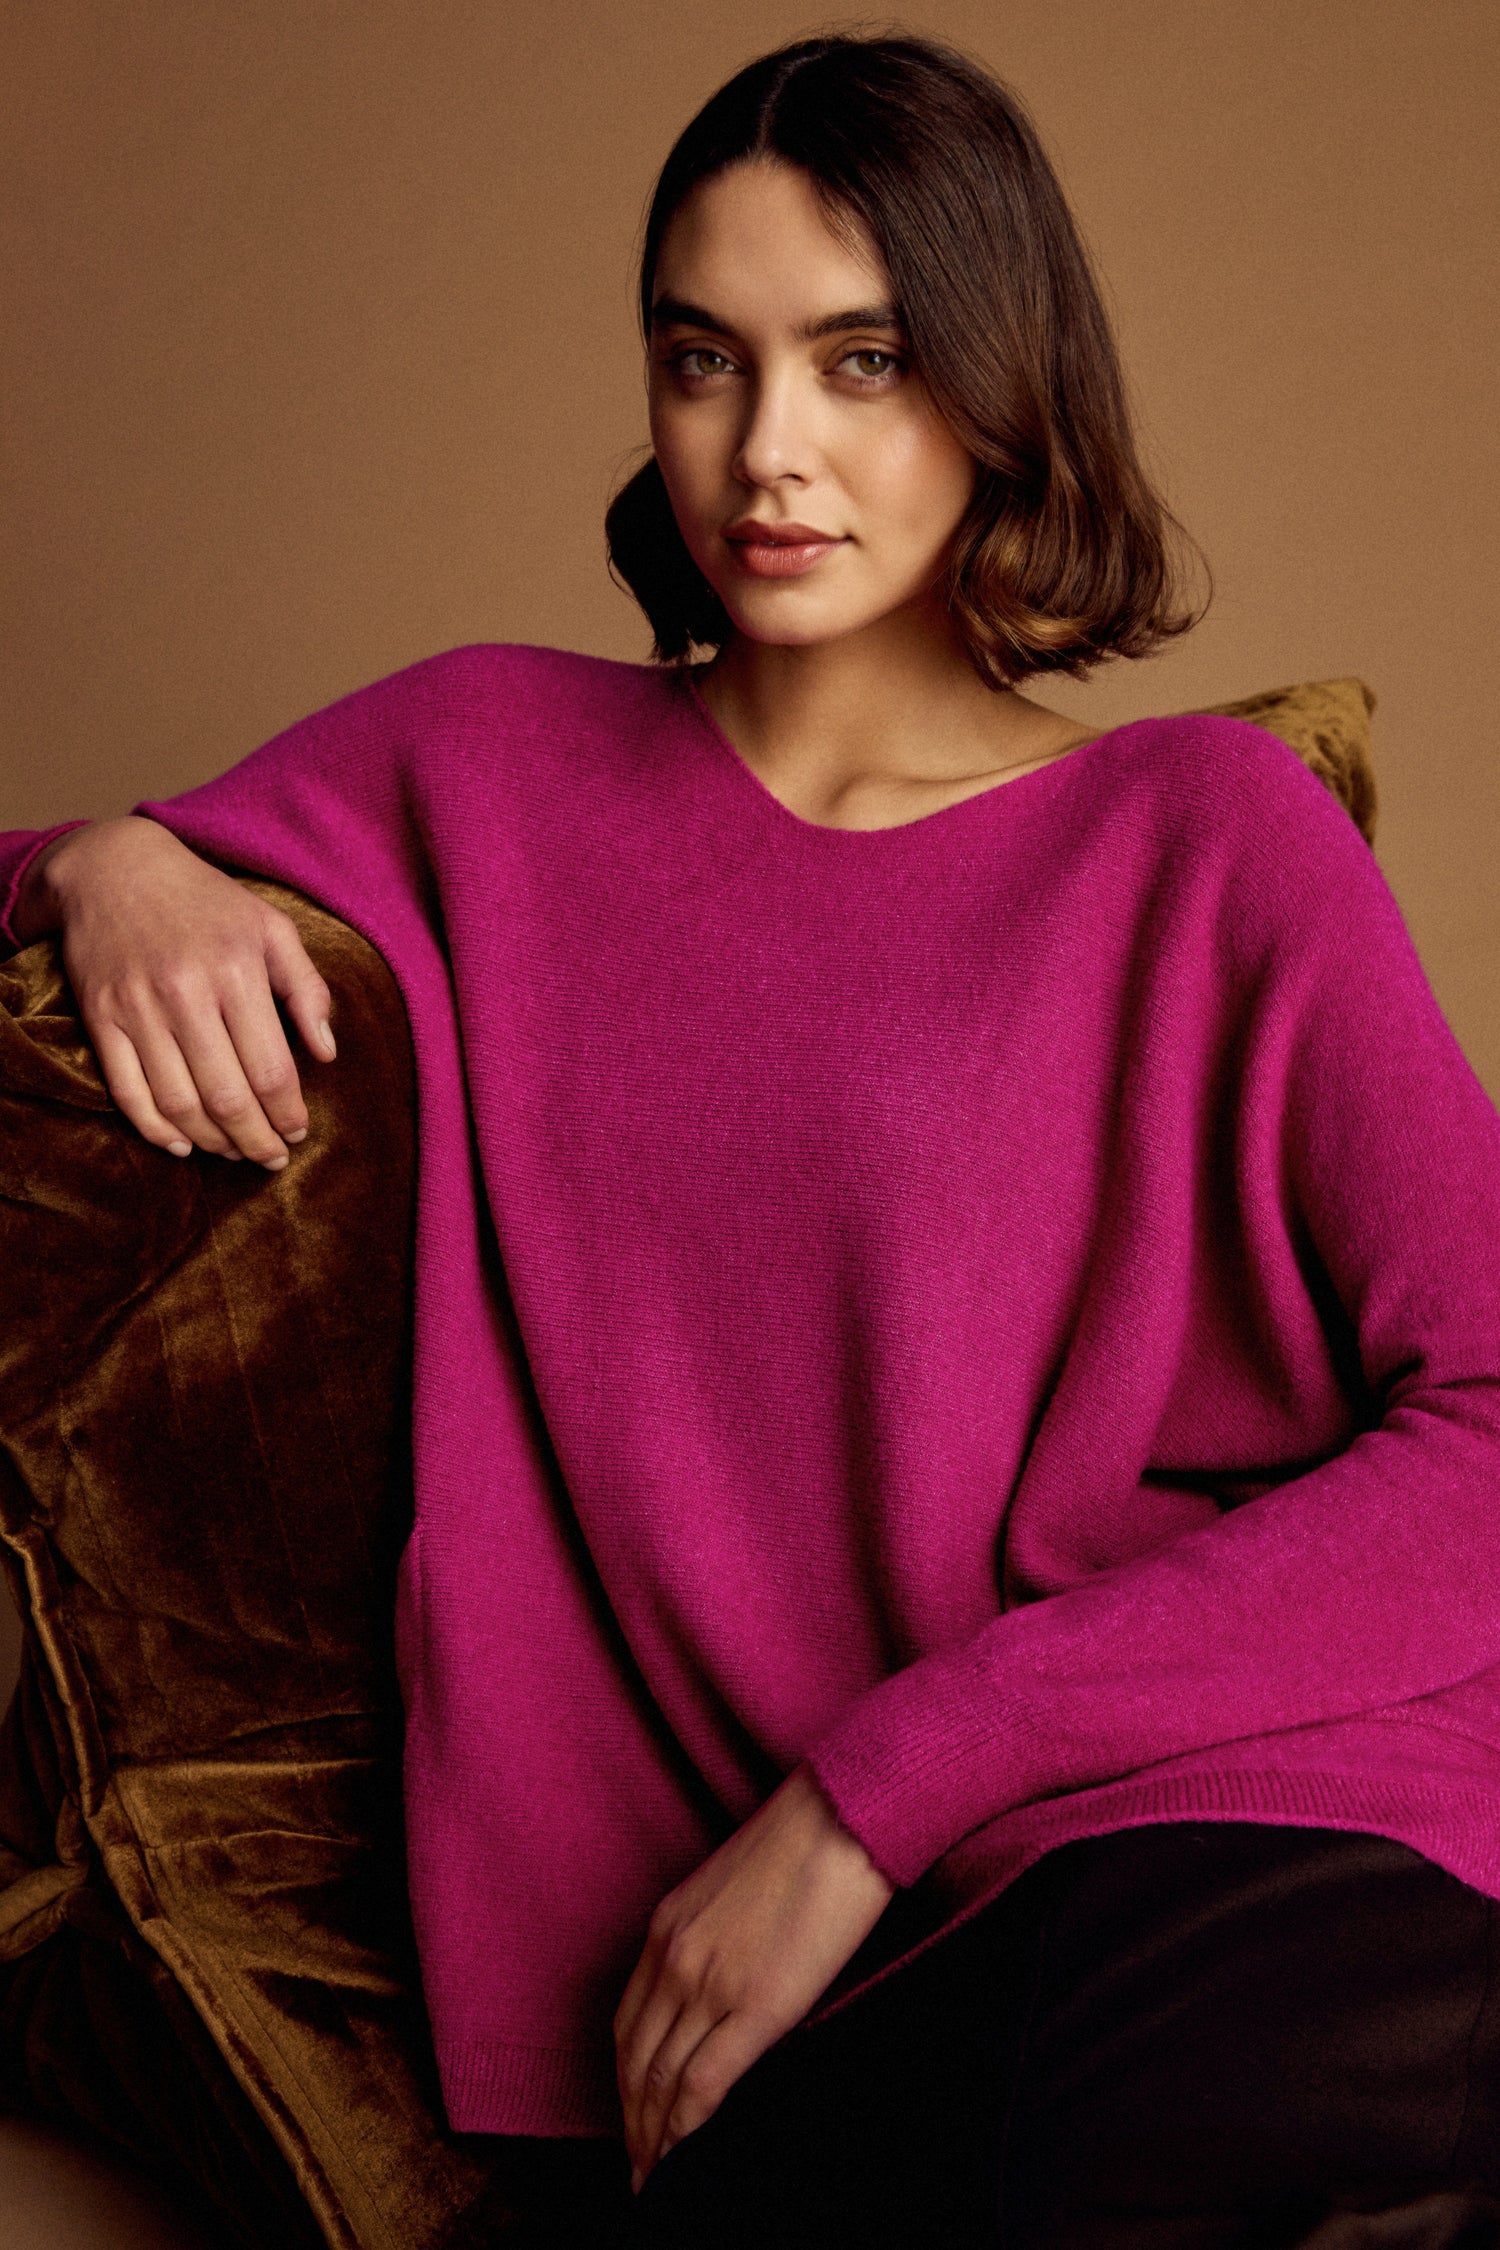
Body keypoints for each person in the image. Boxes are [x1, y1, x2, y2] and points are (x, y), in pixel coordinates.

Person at [4, 32, 1500, 2249]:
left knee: (1314, 2113)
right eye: (705, 360)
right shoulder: (487, 768)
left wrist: (871, 1796)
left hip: (1195, 1842)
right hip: (751, 2015)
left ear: (1002, 385)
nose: (769, 450)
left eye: (862, 359)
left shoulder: (1208, 838)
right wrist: (109, 865)